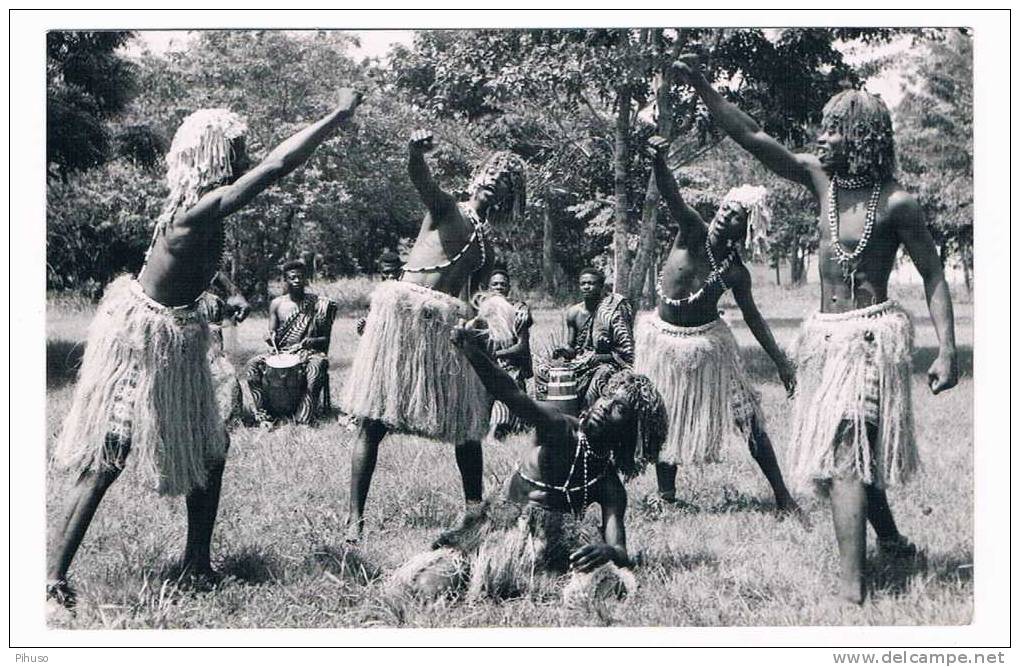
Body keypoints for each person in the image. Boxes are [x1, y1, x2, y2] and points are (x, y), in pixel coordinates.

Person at [47, 89, 364, 610]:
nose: (246, 154)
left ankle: (197, 563)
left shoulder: (198, 210)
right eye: (238, 147)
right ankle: (52, 580)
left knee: (211, 450)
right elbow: (281, 164)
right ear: (218, 154)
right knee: (109, 456)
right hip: (141, 340)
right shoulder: (201, 209)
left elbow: (182, 272)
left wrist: (217, 293)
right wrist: (338, 113)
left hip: (176, 332)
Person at [677, 56, 958, 603]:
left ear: (861, 138)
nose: (821, 138)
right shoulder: (819, 179)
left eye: (834, 130)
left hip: (870, 338)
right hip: (825, 340)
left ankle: (852, 590)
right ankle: (894, 540)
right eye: (822, 129)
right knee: (845, 460)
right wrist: (706, 88)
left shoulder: (897, 203)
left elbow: (932, 273)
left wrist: (947, 349)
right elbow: (754, 136)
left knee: (848, 448)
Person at [389, 321, 668, 604]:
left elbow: (619, 548)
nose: (605, 406)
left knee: (609, 589)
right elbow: (512, 395)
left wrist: (608, 552)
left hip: (554, 549)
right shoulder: (560, 428)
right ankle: (483, 574)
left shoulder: (608, 484)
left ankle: (534, 584)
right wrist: (472, 351)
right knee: (429, 586)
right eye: (607, 397)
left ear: (632, 432)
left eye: (619, 408)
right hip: (498, 533)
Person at [340, 129, 527, 543]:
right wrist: (414, 151)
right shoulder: (446, 208)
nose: (497, 179)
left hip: (444, 326)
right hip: (404, 315)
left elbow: (477, 297)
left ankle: (474, 512)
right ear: (479, 176)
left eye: (507, 181)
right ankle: (354, 519)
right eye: (493, 171)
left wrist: (484, 324)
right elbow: (420, 179)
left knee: (467, 423)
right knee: (373, 421)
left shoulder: (485, 246)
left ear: (509, 199)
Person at [637, 135, 800, 517]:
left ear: (744, 229)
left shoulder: (735, 273)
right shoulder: (691, 231)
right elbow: (672, 196)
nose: (727, 216)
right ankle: (667, 496)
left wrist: (780, 362)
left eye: (737, 217)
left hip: (711, 343)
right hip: (663, 341)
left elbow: (754, 318)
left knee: (748, 416)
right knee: (664, 414)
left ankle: (782, 496)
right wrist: (659, 161)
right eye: (726, 209)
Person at [244, 259, 336, 425]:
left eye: (300, 277)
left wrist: (311, 341)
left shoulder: (317, 304)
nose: (297, 281)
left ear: (305, 279)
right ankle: (264, 415)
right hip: (283, 352)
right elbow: (272, 335)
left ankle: (304, 417)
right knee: (252, 366)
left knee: (316, 368)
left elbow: (325, 340)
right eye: (292, 278)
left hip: (309, 353)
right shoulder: (277, 304)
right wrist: (269, 337)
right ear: (285, 280)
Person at [535, 268, 635, 407]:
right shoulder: (574, 313)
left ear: (601, 286)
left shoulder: (613, 310)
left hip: (607, 363)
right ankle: (548, 413)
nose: (586, 287)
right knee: (542, 370)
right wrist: (563, 351)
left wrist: (604, 353)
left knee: (601, 376)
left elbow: (626, 351)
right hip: (581, 362)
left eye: (591, 283)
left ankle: (587, 417)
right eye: (583, 284)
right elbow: (572, 350)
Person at [483, 266, 534, 440]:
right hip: (486, 365)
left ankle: (495, 431)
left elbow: (522, 347)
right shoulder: (482, 310)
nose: (498, 287)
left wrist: (497, 354)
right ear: (489, 288)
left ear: (509, 288)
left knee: (504, 391)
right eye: (494, 284)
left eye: (502, 284)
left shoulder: (518, 310)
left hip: (510, 367)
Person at [198, 271, 251, 425]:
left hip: (211, 350)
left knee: (227, 376)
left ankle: (228, 419)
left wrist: (235, 295)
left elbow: (212, 270)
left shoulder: (213, 301)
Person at [355, 249, 403, 336]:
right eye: (387, 272)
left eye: (395, 271)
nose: (391, 276)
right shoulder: (375, 297)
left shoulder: (409, 296)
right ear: (381, 273)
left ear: (400, 271)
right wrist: (364, 327)